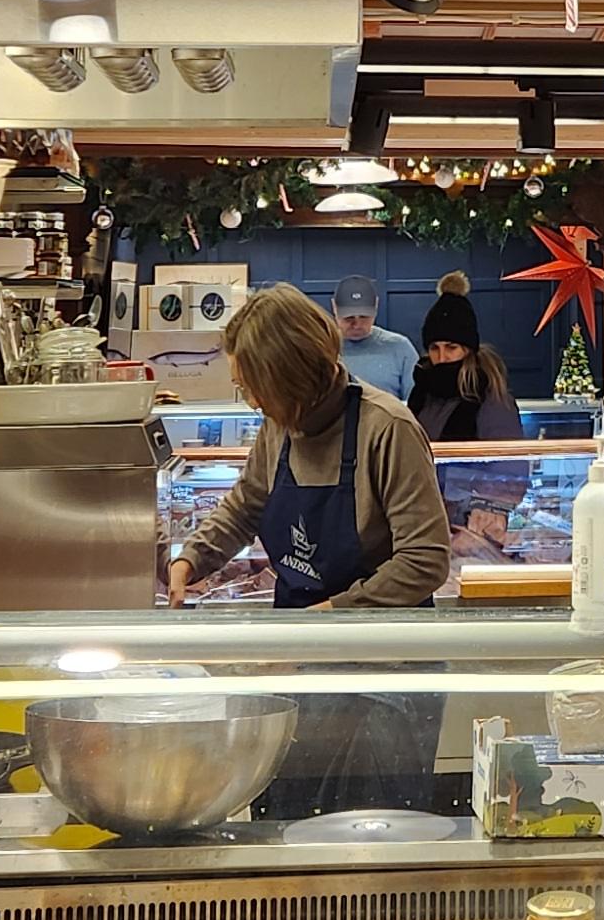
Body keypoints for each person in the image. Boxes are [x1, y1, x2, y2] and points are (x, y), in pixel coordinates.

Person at [161, 285, 452, 814]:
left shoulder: (387, 429)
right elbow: (247, 504)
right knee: (285, 829)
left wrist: (327, 618)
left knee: (367, 833)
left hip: (381, 679)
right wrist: (191, 558)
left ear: (291, 377)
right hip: (296, 664)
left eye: (254, 388)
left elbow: (425, 560)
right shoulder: (280, 425)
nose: (251, 402)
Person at [411, 271, 526, 441]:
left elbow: (507, 456)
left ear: (467, 350)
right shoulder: (422, 393)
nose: (442, 358)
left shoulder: (492, 400)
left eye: (451, 348)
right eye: (434, 348)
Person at [329, 270, 420, 401]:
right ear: (334, 307)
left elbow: (416, 403)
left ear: (376, 306)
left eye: (364, 317)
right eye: (349, 318)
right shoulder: (322, 349)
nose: (357, 325)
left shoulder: (400, 348)